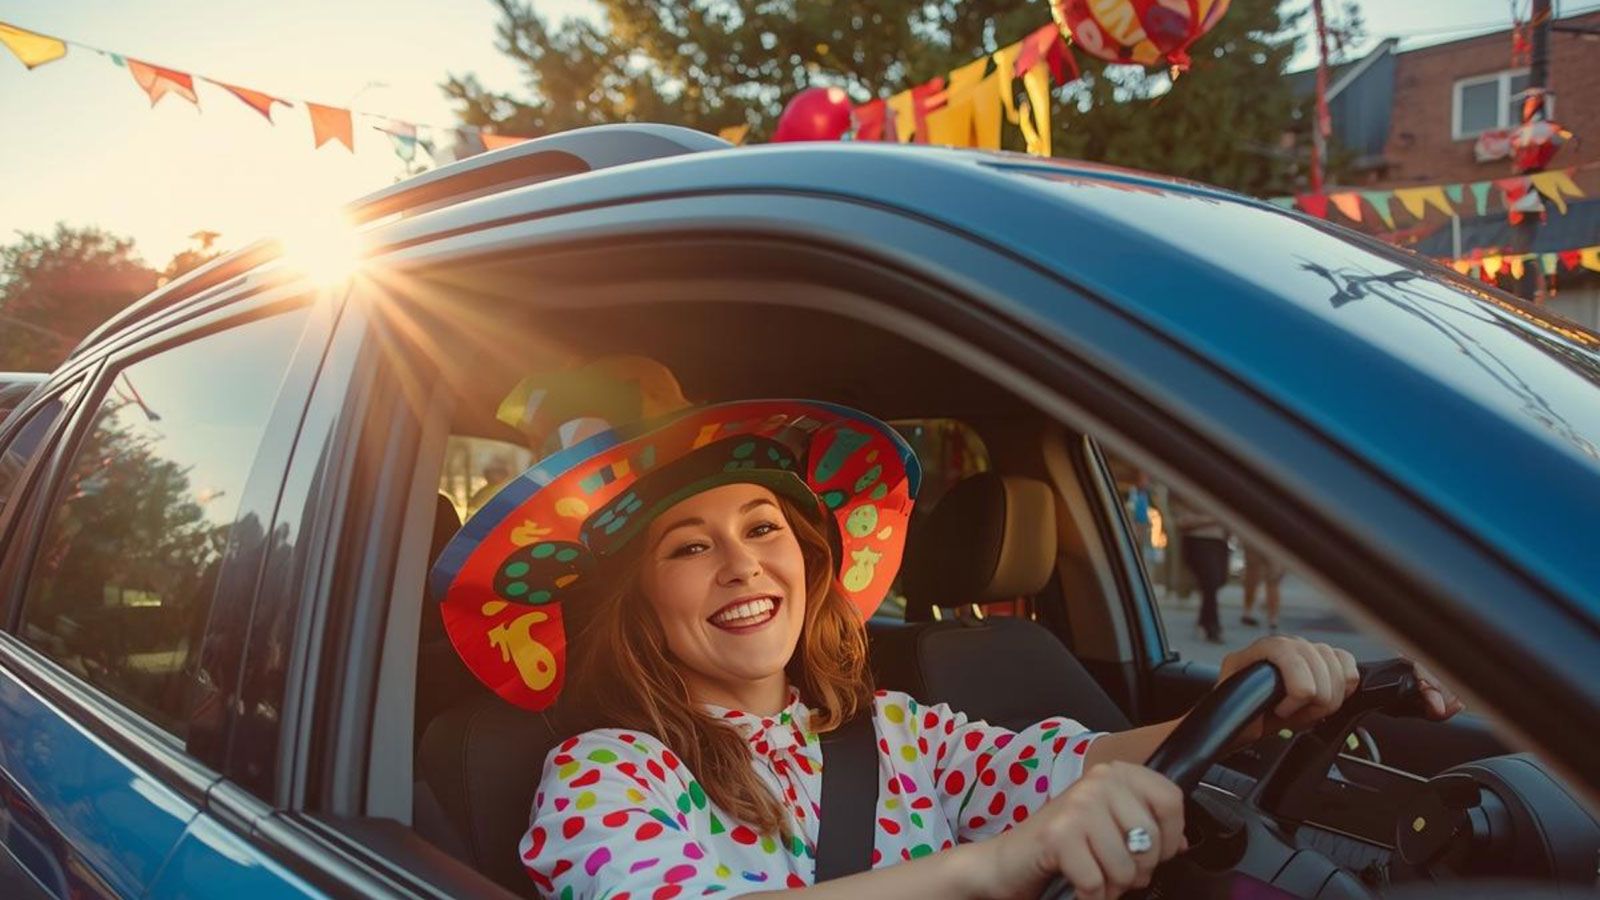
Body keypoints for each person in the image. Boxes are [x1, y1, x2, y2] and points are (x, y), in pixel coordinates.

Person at [431, 400, 1463, 900]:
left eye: (763, 530)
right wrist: (999, 865)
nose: (740, 566)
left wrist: (1244, 703)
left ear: (809, 562)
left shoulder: (885, 728)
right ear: (638, 605)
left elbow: (1070, 764)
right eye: (688, 548)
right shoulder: (605, 773)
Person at [1170, 493, 1230, 644]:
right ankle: (1212, 626)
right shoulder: (1186, 492)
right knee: (1210, 582)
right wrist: (1214, 519)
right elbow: (1181, 521)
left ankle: (1204, 621)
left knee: (1217, 581)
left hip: (1219, 541)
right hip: (1197, 540)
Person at [1242, 544, 1287, 631]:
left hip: (1256, 539)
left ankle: (1248, 612)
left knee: (1252, 577)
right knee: (1272, 580)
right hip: (1273, 543)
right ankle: (1272, 618)